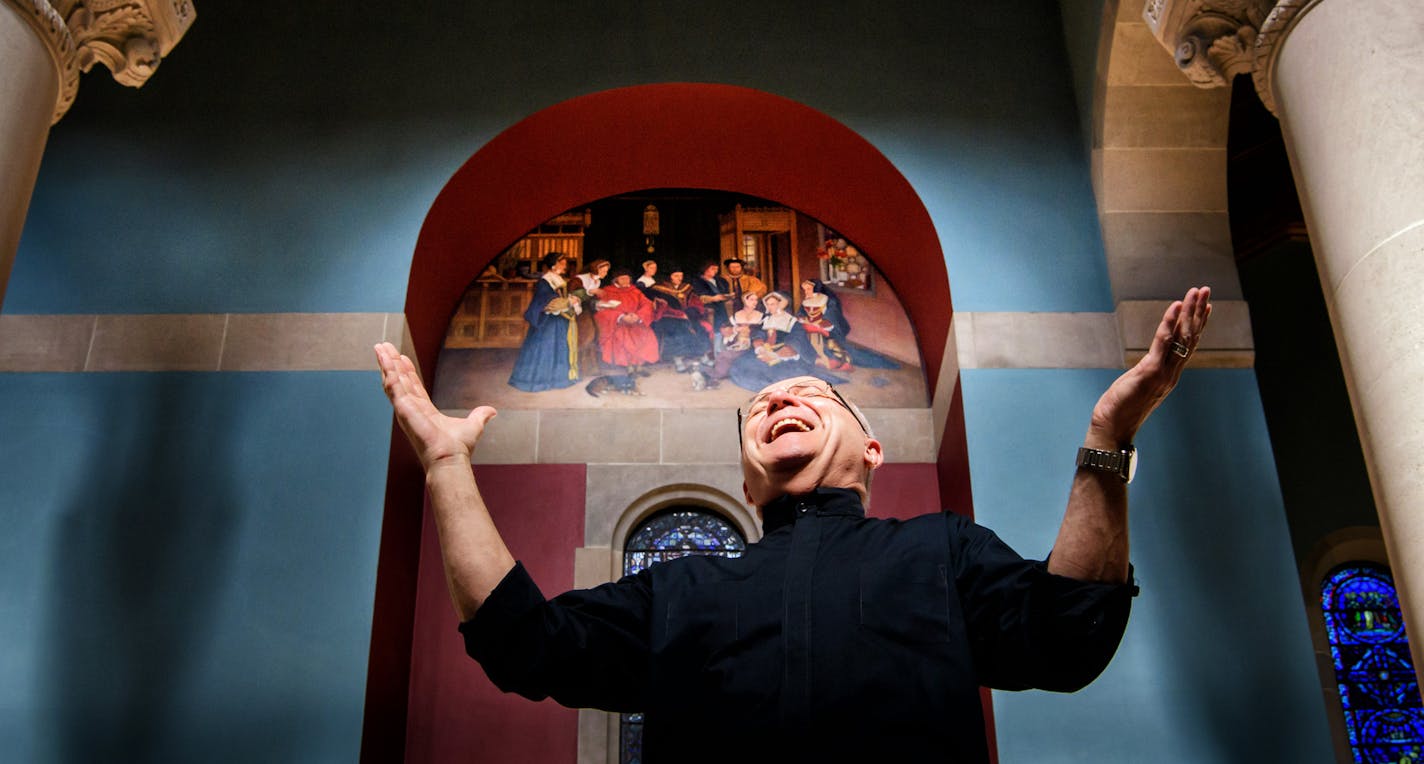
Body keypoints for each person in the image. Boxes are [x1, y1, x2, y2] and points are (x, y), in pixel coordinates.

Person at [376, 287, 1213, 763]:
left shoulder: (941, 550)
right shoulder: (681, 587)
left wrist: (1107, 438)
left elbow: (1069, 635)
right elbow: (526, 642)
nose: (778, 396)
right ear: (745, 474)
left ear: (873, 449)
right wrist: (448, 467)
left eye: (813, 393)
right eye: (762, 403)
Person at [507, 252, 581, 392]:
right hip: (547, 321)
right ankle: (538, 382)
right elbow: (547, 301)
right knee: (544, 349)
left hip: (559, 320)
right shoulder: (545, 281)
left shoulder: (558, 279)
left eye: (565, 264)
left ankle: (558, 380)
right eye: (562, 264)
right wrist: (568, 302)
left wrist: (571, 300)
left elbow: (561, 297)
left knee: (559, 348)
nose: (564, 267)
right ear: (553, 264)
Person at [591, 270, 659, 376]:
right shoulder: (607, 291)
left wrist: (638, 316)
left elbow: (647, 304)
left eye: (627, 278)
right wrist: (621, 317)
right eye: (622, 278)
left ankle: (639, 366)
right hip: (618, 323)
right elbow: (602, 310)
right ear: (615, 280)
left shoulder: (635, 291)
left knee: (646, 335)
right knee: (623, 337)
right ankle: (629, 366)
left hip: (636, 321)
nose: (625, 280)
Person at [647, 269, 713, 372]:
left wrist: (692, 311)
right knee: (681, 330)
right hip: (668, 317)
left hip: (687, 316)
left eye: (681, 276)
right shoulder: (658, 289)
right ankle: (678, 360)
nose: (679, 278)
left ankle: (703, 356)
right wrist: (679, 314)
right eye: (676, 276)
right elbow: (661, 306)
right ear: (669, 276)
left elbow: (695, 301)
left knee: (699, 328)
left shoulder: (687, 288)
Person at [690, 261, 733, 334]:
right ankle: (717, 332)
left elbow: (726, 291)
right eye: (713, 269)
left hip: (722, 302)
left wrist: (727, 296)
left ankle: (727, 329)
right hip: (707, 304)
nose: (715, 271)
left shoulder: (721, 280)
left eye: (716, 269)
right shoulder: (697, 281)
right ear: (705, 269)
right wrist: (714, 298)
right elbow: (699, 296)